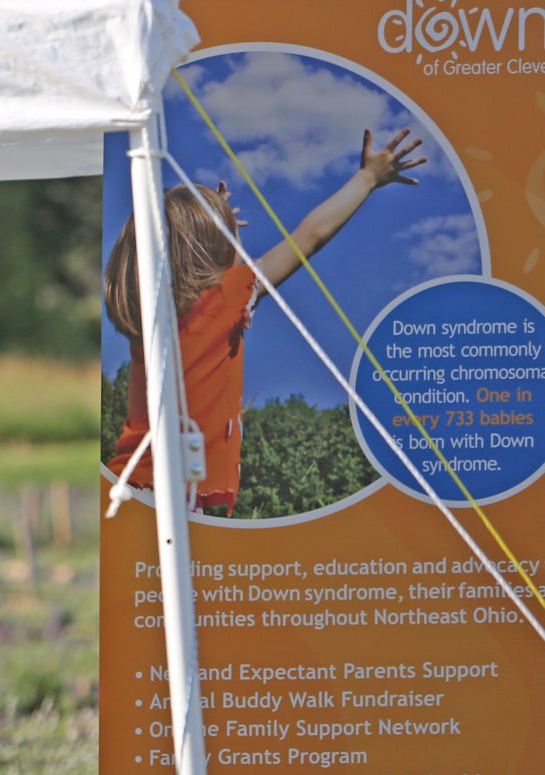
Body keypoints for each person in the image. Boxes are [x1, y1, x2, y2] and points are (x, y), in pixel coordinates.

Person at [106, 128, 425, 514]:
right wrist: (367, 178)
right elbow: (310, 236)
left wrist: (213, 232)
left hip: (133, 481)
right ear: (212, 247)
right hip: (174, 493)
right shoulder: (223, 297)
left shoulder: (149, 308)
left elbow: (193, 273)